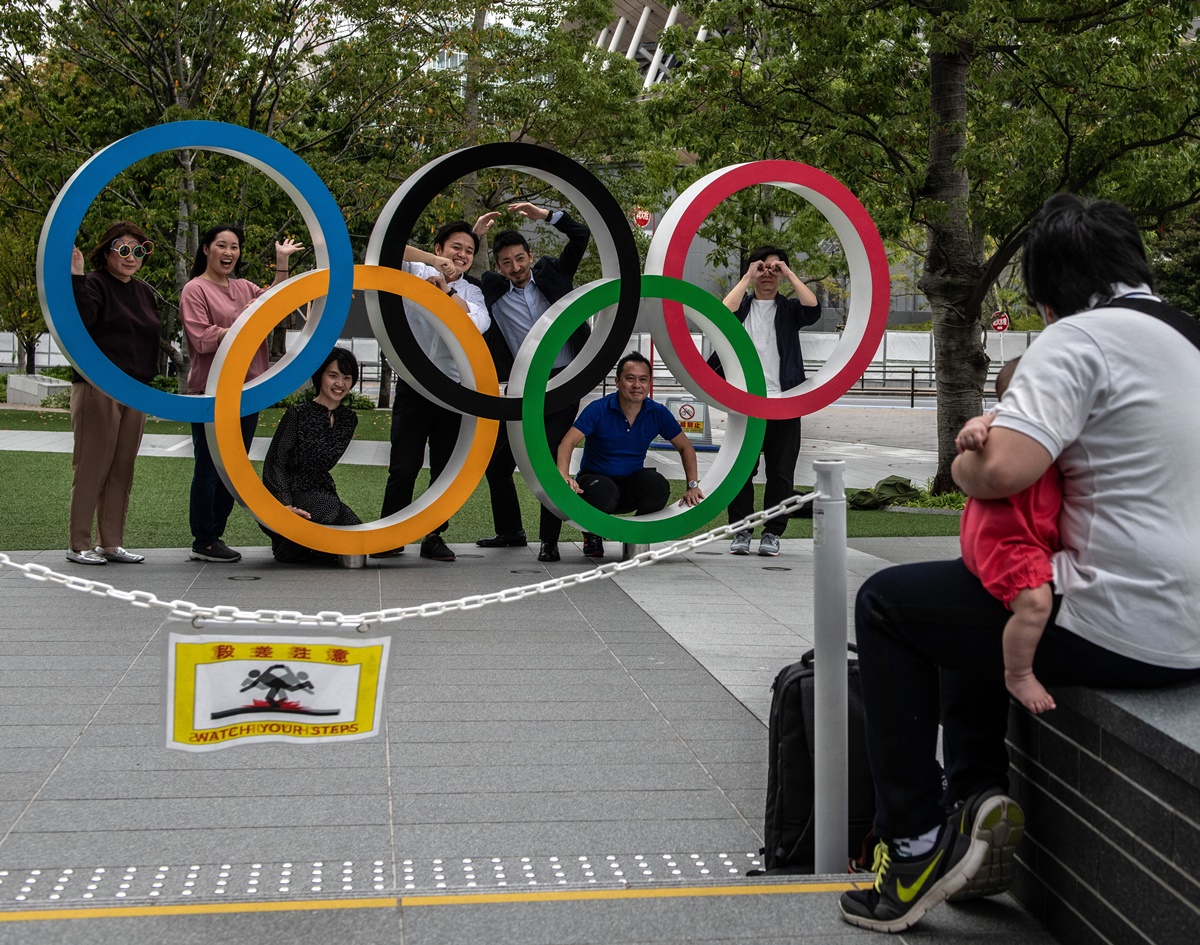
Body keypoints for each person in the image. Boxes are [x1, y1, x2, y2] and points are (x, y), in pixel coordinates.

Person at [839, 193, 1200, 934]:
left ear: (1049, 290)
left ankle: (910, 848)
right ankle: (976, 800)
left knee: (887, 605)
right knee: (964, 594)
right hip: (1189, 624)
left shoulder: (1077, 341)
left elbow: (1001, 471)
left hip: (1125, 621)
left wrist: (962, 465)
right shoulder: (1189, 339)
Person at [473, 202, 592, 563]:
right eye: (506, 262)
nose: (516, 267)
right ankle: (510, 531)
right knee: (497, 465)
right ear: (498, 266)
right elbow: (457, 271)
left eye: (520, 258)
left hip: (562, 380)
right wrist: (476, 236)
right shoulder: (492, 290)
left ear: (530, 255)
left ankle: (550, 541)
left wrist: (545, 215)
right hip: (520, 386)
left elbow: (581, 235)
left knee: (550, 459)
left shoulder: (553, 273)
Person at [180, 224, 303, 563]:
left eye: (234, 247)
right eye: (221, 245)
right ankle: (204, 539)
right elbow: (200, 336)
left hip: (249, 390)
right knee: (208, 467)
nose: (229, 253)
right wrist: (240, 329)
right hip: (212, 391)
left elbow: (276, 301)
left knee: (233, 467)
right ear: (206, 249)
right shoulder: (195, 289)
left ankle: (215, 534)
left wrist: (281, 262)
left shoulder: (244, 287)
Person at [374, 222, 491, 562]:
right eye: (456, 247)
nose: (463, 255)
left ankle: (434, 536)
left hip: (453, 391)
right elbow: (386, 248)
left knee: (444, 469)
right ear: (439, 248)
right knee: (403, 465)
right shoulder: (416, 270)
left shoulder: (472, 292)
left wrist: (447, 292)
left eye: (469, 251)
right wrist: (433, 264)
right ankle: (389, 534)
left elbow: (478, 324)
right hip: (414, 385)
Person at [956, 358, 1058, 714]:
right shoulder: (1006, 419)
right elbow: (981, 422)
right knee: (1035, 603)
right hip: (1005, 537)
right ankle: (1019, 672)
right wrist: (974, 430)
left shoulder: (1061, 421)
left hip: (1026, 533)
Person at [65, 222, 160, 565]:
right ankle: (79, 544)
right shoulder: (92, 284)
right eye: (122, 249)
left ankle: (112, 542)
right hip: (98, 387)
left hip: (135, 390)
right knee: (92, 465)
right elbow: (82, 320)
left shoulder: (144, 292)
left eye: (138, 250)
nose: (131, 257)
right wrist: (76, 275)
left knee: (122, 467)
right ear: (106, 252)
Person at [716, 246, 820, 557]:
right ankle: (741, 530)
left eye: (774, 269)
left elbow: (812, 309)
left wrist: (787, 272)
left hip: (784, 401)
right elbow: (722, 314)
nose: (768, 274)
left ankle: (773, 533)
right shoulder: (743, 307)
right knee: (741, 470)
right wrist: (749, 275)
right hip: (746, 402)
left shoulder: (788, 310)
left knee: (781, 472)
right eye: (762, 268)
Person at [555, 352, 705, 558]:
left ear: (649, 383)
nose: (637, 385)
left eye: (643, 379)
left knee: (657, 485)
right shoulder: (599, 409)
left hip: (630, 485)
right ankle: (592, 533)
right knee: (605, 490)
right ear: (617, 382)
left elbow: (685, 447)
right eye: (630, 378)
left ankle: (636, 533)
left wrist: (692, 485)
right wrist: (563, 476)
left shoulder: (657, 412)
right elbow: (567, 443)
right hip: (595, 486)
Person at [260, 348, 362, 564]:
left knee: (357, 534)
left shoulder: (348, 420)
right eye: (333, 375)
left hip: (322, 491)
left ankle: (293, 546)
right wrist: (285, 504)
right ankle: (290, 541)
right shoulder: (297, 414)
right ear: (320, 376)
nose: (340, 384)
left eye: (346, 377)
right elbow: (275, 462)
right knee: (329, 510)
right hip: (289, 491)